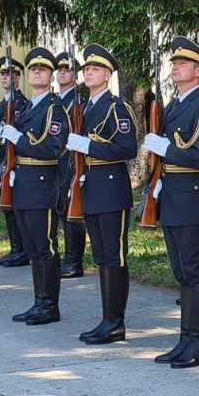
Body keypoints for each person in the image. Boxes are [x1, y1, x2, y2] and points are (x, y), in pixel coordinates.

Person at [144, 37, 199, 369]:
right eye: (174, 63)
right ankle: (184, 340)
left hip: (195, 199)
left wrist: (166, 151)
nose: (175, 66)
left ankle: (198, 344)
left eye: (183, 63)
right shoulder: (175, 105)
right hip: (174, 196)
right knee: (182, 273)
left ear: (198, 71)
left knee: (196, 273)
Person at [65, 44, 139, 344]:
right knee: (101, 257)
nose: (88, 72)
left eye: (95, 69)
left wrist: (88, 147)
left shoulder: (116, 107)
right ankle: (107, 319)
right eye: (86, 69)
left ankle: (115, 322)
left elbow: (127, 148)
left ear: (107, 75)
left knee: (113, 257)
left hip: (111, 189)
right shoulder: (84, 107)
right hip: (92, 188)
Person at [1, 47, 69, 325]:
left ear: (51, 76)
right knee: (31, 246)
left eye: (42, 69)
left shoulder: (55, 109)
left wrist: (19, 140)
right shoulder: (28, 106)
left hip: (43, 184)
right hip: (24, 183)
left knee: (45, 246)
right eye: (33, 69)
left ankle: (50, 305)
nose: (37, 72)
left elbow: (53, 148)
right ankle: (39, 300)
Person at [0, 56, 31, 268]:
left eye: (10, 74)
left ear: (17, 78)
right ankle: (15, 247)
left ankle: (22, 249)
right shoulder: (3, 102)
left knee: (15, 206)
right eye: (3, 74)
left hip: (14, 160)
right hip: (2, 159)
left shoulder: (21, 103)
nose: (6, 77)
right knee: (7, 205)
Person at [54, 51, 87, 279]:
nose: (62, 72)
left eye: (67, 69)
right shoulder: (54, 101)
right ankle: (60, 256)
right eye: (60, 69)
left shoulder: (79, 102)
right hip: (54, 162)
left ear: (75, 75)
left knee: (71, 212)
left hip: (71, 161)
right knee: (58, 210)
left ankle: (74, 260)